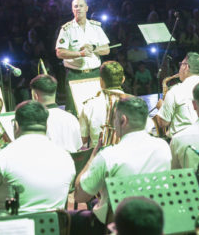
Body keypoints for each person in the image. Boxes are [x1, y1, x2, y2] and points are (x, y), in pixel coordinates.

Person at [73, 97, 171, 234]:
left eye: (114, 119)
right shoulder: (163, 147)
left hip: (118, 225)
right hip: (153, 221)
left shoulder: (108, 156)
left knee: (73, 218)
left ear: (123, 120)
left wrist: (91, 159)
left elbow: (79, 197)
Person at [0, 100, 75, 217]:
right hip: (50, 230)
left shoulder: (1, 158)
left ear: (16, 125)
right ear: (46, 126)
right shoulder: (66, 158)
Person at [56, 0, 110, 114]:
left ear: (86, 8)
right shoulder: (67, 29)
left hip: (95, 73)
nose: (78, 8)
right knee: (74, 110)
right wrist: (80, 54)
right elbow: (60, 52)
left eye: (81, 6)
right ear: (72, 9)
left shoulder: (96, 27)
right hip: (75, 75)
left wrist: (94, 48)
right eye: (75, 6)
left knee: (97, 109)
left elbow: (106, 50)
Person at [155, 52, 199, 138]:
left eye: (181, 64)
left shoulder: (176, 90)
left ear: (186, 67)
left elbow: (163, 123)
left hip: (180, 140)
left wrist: (161, 106)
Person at [30, 74, 82, 152]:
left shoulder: (35, 121)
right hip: (72, 162)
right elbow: (78, 147)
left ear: (35, 96)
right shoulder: (71, 118)